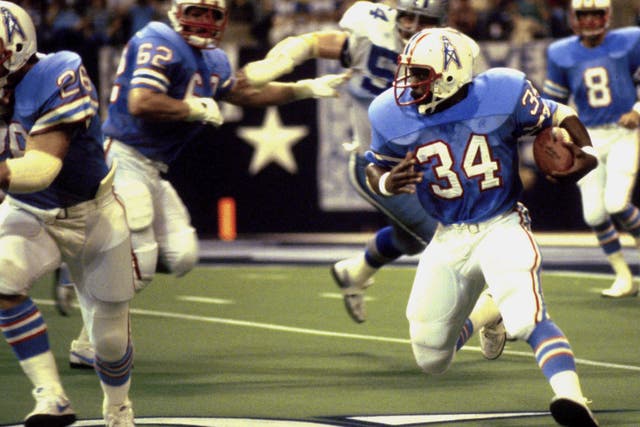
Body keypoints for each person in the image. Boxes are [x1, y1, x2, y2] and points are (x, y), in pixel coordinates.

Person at [63, 0, 350, 368]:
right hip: (123, 157)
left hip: (153, 168)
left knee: (180, 256)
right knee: (141, 262)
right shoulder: (158, 39)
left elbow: (243, 93)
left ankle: (90, 264)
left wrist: (303, 89)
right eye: (196, 12)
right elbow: (141, 101)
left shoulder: (214, 61)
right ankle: (90, 334)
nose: (204, 21)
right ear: (177, 12)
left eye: (213, 14)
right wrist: (193, 109)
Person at [365, 28, 599, 426]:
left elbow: (557, 112)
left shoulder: (501, 94)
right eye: (409, 72)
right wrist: (388, 182)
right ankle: (486, 314)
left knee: (527, 316)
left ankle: (571, 396)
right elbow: (377, 166)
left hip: (501, 223)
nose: (409, 83)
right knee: (431, 356)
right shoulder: (391, 113)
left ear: (451, 74)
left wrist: (587, 151)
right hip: (448, 234)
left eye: (420, 73)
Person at [244, 0, 481, 324]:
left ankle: (354, 272)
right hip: (377, 165)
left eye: (422, 20)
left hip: (425, 165)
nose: (410, 25)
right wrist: (280, 62)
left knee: (408, 240)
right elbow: (312, 42)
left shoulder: (450, 54)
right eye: (406, 16)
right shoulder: (372, 36)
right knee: (445, 236)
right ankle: (482, 316)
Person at [0, 2, 135, 426]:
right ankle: (51, 396)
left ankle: (118, 408)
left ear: (15, 46)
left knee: (109, 342)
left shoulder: (57, 72)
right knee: (2, 278)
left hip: (92, 215)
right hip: (30, 211)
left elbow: (42, 168)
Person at [543, 0, 640, 298]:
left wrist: (638, 108)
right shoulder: (560, 52)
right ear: (574, 17)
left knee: (616, 204)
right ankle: (623, 276)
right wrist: (556, 140)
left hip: (623, 132)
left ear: (607, 15)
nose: (589, 21)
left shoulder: (630, 40)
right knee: (595, 215)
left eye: (595, 13)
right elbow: (554, 103)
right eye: (583, 14)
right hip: (588, 138)